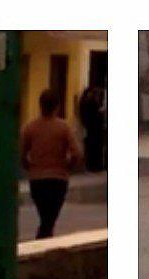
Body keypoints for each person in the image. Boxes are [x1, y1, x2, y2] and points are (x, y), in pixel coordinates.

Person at [21, 89, 83, 240]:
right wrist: (68, 166)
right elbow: (77, 153)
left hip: (37, 179)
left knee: (45, 217)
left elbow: (20, 152)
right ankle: (42, 244)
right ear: (57, 106)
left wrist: (29, 166)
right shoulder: (64, 127)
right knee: (50, 218)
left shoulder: (30, 127)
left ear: (40, 105)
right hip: (58, 178)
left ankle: (43, 242)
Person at [79, 83, 107, 172]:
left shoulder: (84, 102)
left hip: (90, 129)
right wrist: (101, 112)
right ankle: (96, 166)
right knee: (96, 148)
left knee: (91, 148)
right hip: (95, 129)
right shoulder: (91, 103)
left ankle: (91, 166)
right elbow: (96, 115)